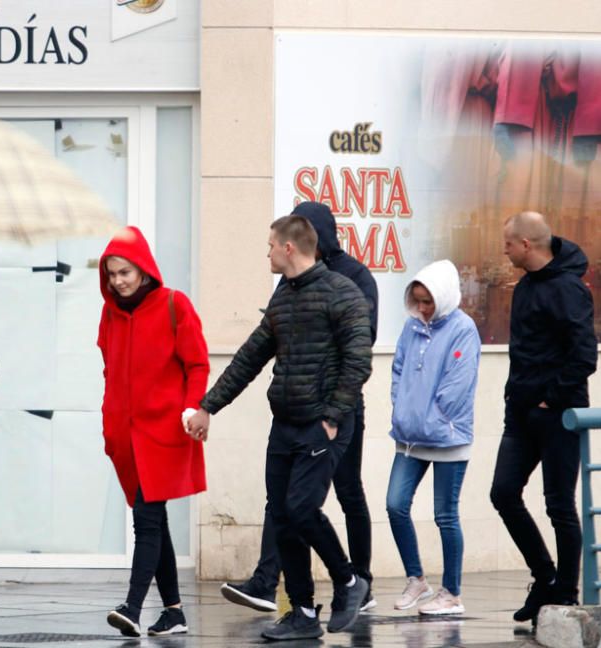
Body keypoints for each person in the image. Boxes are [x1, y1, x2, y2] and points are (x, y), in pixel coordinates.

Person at [188, 215, 373, 641]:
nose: (266, 252)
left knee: (302, 508)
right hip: (285, 425)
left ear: (289, 248)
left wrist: (332, 417)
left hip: (322, 424)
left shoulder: (342, 293)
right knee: (285, 517)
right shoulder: (283, 299)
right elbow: (250, 358)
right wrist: (207, 407)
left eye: (270, 245)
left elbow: (358, 363)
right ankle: (304, 613)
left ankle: (348, 581)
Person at [97, 226, 210, 638]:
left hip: (164, 432)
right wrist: (110, 421)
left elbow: (198, 364)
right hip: (125, 436)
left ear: (144, 269)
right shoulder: (110, 313)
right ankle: (174, 612)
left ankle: (131, 606)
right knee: (154, 520)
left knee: (145, 519)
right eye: (111, 274)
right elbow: (109, 369)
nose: (118, 281)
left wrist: (193, 406)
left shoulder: (174, 304)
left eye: (124, 272)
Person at [490, 211, 598, 622]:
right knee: (502, 493)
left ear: (527, 246)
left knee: (559, 505)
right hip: (519, 413)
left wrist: (551, 400)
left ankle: (566, 593)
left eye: (508, 243)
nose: (503, 249)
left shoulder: (569, 289)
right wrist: (516, 397)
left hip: (558, 415)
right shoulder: (524, 287)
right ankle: (545, 577)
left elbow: (584, 355)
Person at [386, 260, 480, 615]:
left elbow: (458, 384)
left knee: (445, 515)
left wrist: (431, 417)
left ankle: (452, 593)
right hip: (410, 436)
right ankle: (416, 579)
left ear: (442, 297)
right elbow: (398, 369)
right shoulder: (412, 327)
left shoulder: (463, 329)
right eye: (418, 301)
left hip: (449, 439)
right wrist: (401, 408)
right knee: (395, 505)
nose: (423, 308)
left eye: (429, 301)